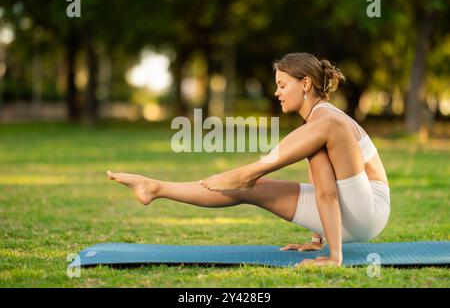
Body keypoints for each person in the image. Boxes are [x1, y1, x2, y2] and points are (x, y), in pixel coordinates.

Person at [107, 52, 390, 267]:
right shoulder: (313, 128)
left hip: (369, 209)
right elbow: (323, 189)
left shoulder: (329, 120)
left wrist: (335, 257)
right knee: (249, 187)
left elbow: (331, 192)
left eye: (282, 84)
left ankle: (251, 170)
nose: (276, 92)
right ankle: (156, 188)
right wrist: (319, 238)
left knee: (327, 128)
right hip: (342, 216)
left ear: (305, 84)